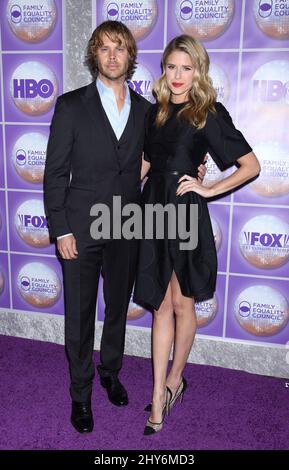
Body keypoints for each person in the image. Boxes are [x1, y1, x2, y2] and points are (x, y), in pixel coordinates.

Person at [44, 21, 207, 434]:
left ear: (130, 57)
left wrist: (194, 167)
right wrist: (61, 230)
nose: (113, 56)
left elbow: (162, 156)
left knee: (117, 309)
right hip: (79, 231)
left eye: (120, 48)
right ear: (94, 56)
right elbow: (55, 174)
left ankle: (110, 372)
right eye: (104, 48)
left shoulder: (147, 112)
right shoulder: (70, 106)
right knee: (79, 318)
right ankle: (80, 396)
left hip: (126, 225)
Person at [133, 34, 260, 435]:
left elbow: (250, 166)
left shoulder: (208, 113)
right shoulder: (154, 113)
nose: (177, 75)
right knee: (160, 305)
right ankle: (157, 393)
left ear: (198, 71)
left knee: (182, 303)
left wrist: (206, 187)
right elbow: (146, 164)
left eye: (186, 68)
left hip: (185, 212)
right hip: (154, 209)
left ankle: (174, 381)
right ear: (163, 69)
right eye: (171, 66)